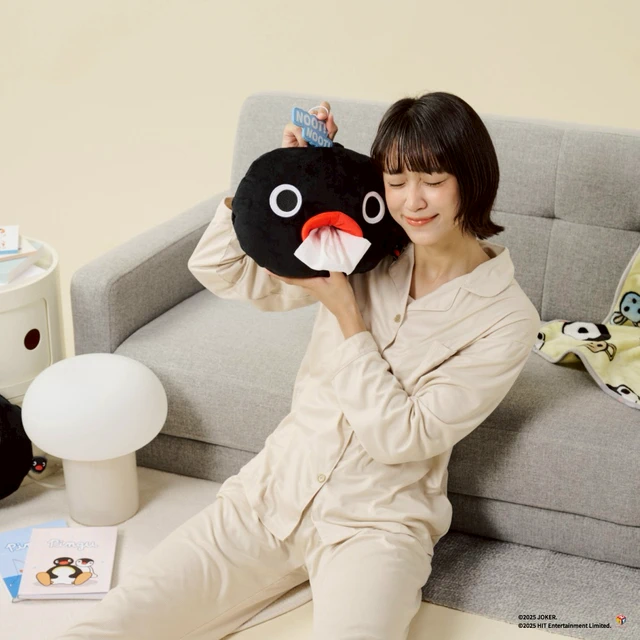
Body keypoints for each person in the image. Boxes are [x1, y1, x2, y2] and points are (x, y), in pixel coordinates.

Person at [55, 93, 540, 640]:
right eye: (396, 181)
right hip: (271, 493)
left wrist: (347, 316)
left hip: (375, 527)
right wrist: (287, 173)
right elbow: (221, 268)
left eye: (432, 180)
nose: (412, 201)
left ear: (471, 180)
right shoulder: (362, 246)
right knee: (109, 624)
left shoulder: (506, 318)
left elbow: (401, 437)